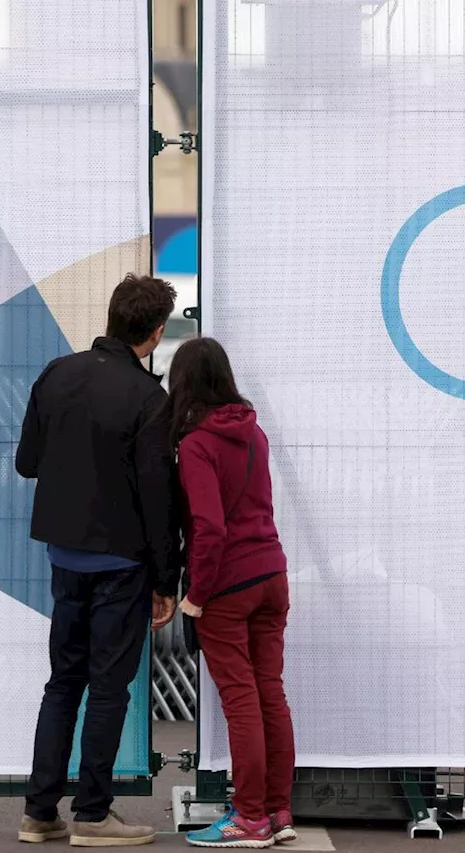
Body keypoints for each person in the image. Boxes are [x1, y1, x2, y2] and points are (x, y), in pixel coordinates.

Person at [15, 274, 182, 847]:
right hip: (121, 564)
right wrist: (168, 579)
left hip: (66, 557)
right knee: (109, 688)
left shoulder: (56, 374)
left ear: (111, 318)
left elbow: (27, 462)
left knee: (63, 680)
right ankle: (92, 814)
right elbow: (160, 500)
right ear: (156, 334)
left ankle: (39, 813)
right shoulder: (148, 399)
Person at [166, 338, 296, 848]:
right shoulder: (254, 432)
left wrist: (196, 595)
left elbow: (209, 527)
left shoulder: (196, 444)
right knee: (270, 694)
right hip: (272, 573)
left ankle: (248, 818)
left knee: (241, 699)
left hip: (227, 585)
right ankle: (278, 812)